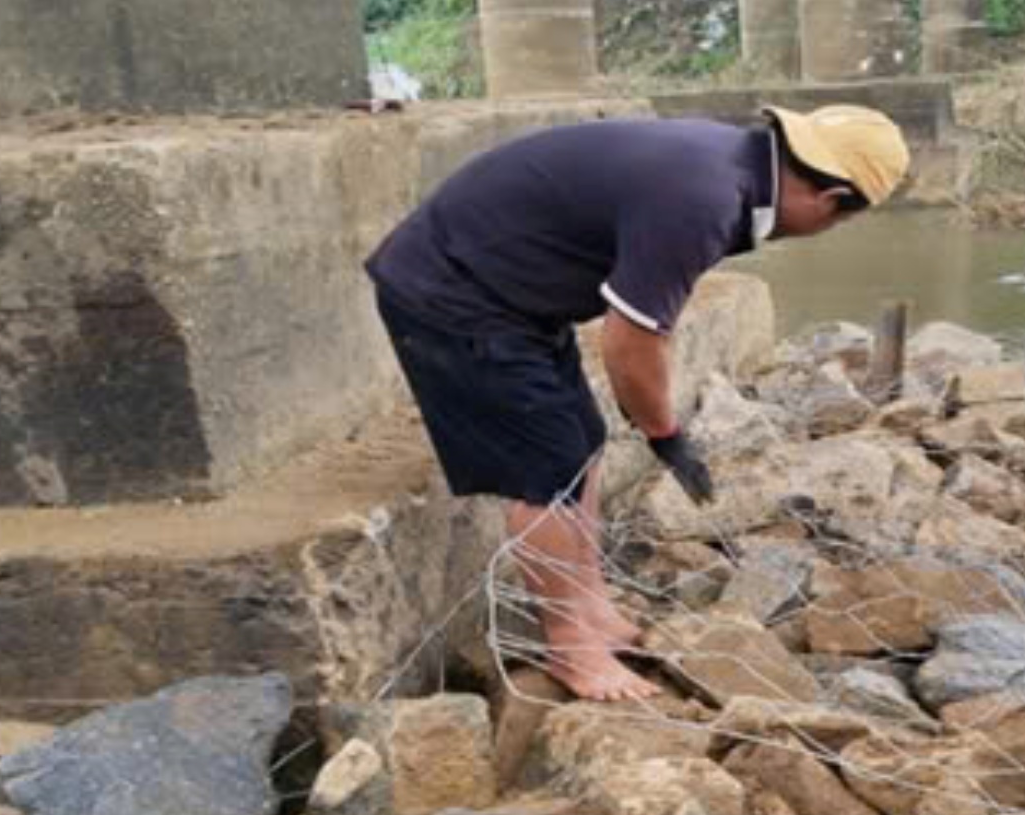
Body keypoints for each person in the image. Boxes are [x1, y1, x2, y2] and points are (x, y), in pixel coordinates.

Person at [364, 104, 910, 701]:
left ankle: (589, 605)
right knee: (545, 469)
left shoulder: (729, 164)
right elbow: (632, 341)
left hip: (513, 292)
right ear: (828, 198)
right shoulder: (704, 199)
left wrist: (654, 427)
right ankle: (570, 644)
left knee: (581, 442)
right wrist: (664, 432)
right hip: (453, 291)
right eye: (834, 223)